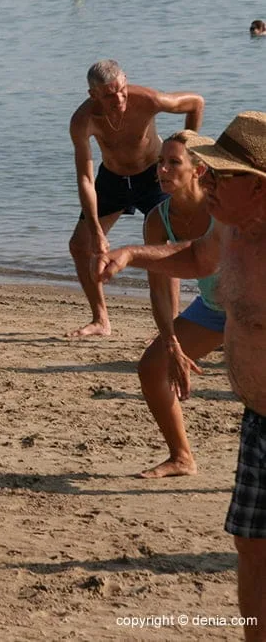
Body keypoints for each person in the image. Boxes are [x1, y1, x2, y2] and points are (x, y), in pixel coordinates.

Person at [97, 111, 266, 639]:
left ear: (258, 188)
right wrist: (131, 253)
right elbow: (195, 257)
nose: (207, 180)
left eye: (221, 174)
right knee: (252, 547)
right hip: (258, 419)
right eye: (208, 171)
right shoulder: (230, 229)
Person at [67, 59, 204, 337]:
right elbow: (85, 178)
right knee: (81, 246)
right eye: (109, 94)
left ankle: (173, 323)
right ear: (93, 95)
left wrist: (189, 154)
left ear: (126, 81)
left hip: (153, 176)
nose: (118, 98)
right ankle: (101, 320)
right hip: (113, 179)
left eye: (122, 90)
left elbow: (195, 103)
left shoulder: (148, 100)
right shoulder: (83, 121)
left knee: (163, 247)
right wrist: (95, 230)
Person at [135, 133, 224, 479]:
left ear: (198, 170)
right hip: (214, 309)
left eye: (174, 162)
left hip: (255, 308)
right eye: (160, 162)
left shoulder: (224, 207)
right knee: (151, 367)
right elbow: (158, 287)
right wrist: (170, 341)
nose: (163, 169)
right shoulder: (158, 219)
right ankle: (182, 458)